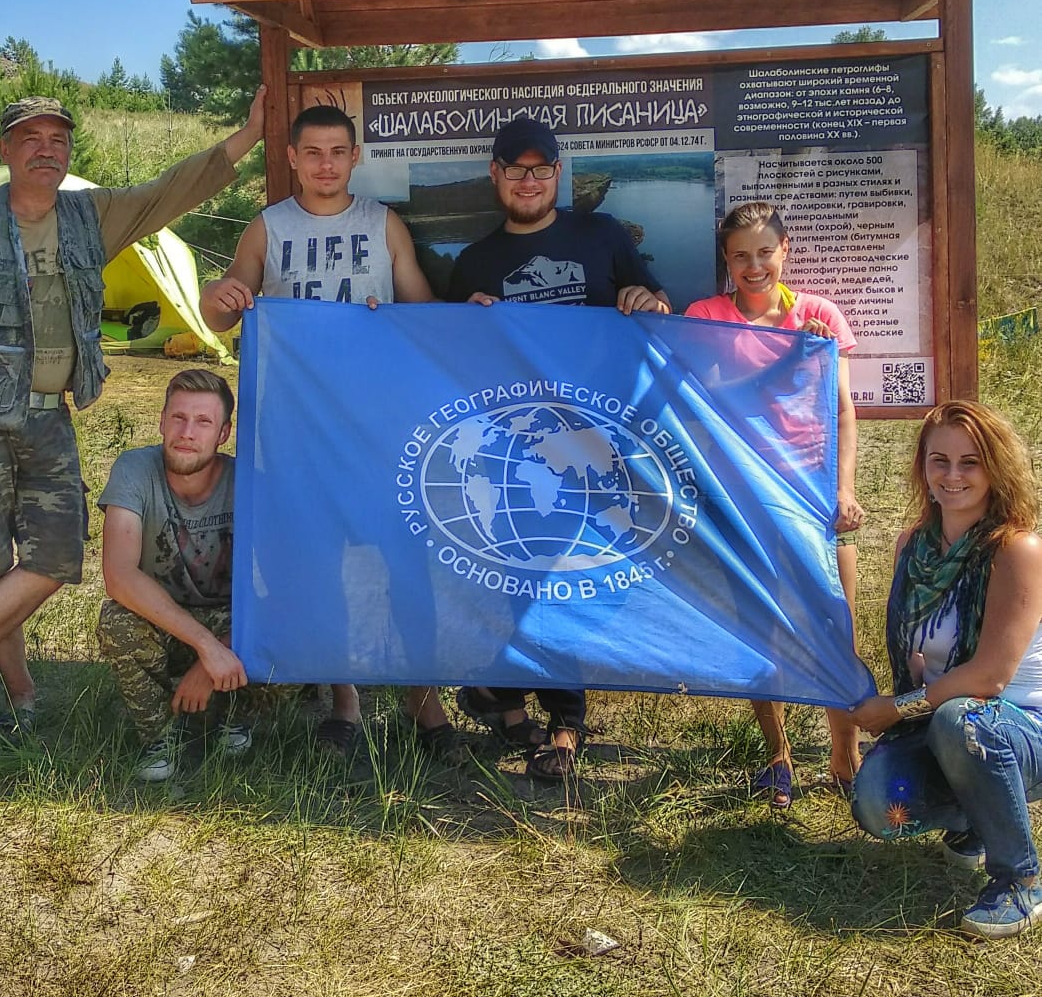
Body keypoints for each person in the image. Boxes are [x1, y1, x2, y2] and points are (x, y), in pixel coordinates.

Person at [0, 88, 266, 745]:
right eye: (31, 139)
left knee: (57, 555)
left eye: (58, 140)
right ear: (6, 149)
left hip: (50, 420)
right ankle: (20, 696)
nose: (46, 151)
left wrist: (249, 135)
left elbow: (169, 191)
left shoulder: (91, 215)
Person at [200, 103, 463, 761]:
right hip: (295, 427)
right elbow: (223, 311)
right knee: (321, 560)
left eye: (337, 152)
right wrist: (216, 296)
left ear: (354, 157)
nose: (325, 164)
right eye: (312, 152)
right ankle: (343, 699)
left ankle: (422, 698)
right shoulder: (268, 227)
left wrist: (454, 318)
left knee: (405, 560)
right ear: (291, 157)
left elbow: (423, 314)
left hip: (378, 425)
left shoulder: (382, 224)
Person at [448, 113, 671, 781]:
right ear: (495, 174)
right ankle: (514, 707)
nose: (528, 180)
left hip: (595, 439)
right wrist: (467, 324)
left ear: (557, 173)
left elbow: (659, 310)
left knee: (572, 578)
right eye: (515, 169)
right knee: (514, 576)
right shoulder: (473, 262)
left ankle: (557, 718)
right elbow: (451, 361)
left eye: (540, 168)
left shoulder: (601, 235)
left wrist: (646, 297)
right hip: (516, 448)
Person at [686, 201, 863, 807]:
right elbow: (709, 400)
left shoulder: (819, 314)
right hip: (744, 493)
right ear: (726, 260)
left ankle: (845, 757)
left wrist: (843, 489)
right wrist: (791, 355)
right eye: (741, 255)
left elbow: (843, 411)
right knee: (760, 628)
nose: (754, 266)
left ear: (785, 251)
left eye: (765, 252)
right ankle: (778, 757)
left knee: (836, 626)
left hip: (815, 493)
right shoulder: (705, 316)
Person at [850, 401, 1042, 939]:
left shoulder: (1018, 549)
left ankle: (1020, 880)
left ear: (995, 468)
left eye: (970, 462)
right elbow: (915, 652)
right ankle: (976, 819)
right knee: (878, 802)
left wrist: (895, 710)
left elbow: (990, 678)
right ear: (923, 467)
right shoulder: (912, 545)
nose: (953, 475)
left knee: (963, 720)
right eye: (940, 460)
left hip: (1021, 729)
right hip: (943, 721)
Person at [97, 369, 248, 781]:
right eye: (178, 418)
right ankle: (159, 736)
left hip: (233, 626)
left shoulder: (246, 480)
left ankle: (234, 715)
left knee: (284, 625)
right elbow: (119, 576)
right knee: (117, 620)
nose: (187, 432)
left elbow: (279, 591)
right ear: (162, 421)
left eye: (203, 422)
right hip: (166, 621)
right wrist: (204, 647)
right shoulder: (135, 469)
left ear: (223, 433)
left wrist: (214, 653)